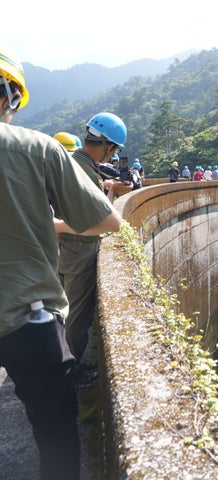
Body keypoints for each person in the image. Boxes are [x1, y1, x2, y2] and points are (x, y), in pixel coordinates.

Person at [0, 46, 122, 480]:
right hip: (26, 317)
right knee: (54, 430)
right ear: (10, 98)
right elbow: (108, 222)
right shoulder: (36, 148)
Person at [56, 111, 132, 388]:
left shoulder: (71, 161)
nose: (113, 157)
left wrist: (108, 186)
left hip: (60, 249)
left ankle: (62, 361)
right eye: (114, 151)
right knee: (76, 315)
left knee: (60, 308)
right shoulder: (88, 172)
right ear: (109, 145)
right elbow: (109, 221)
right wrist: (109, 189)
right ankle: (70, 369)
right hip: (80, 250)